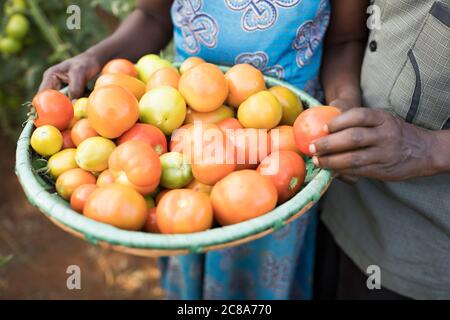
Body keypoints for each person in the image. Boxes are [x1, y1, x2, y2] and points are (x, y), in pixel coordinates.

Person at [40, 0, 342, 299]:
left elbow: (346, 39)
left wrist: (341, 108)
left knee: (268, 258)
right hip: (183, 110)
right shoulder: (156, 156)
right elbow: (150, 14)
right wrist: (96, 56)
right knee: (184, 245)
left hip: (291, 123)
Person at [314, 0, 450, 299]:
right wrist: (344, 103)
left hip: (428, 256)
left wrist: (430, 148)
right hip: (339, 209)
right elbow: (346, 38)